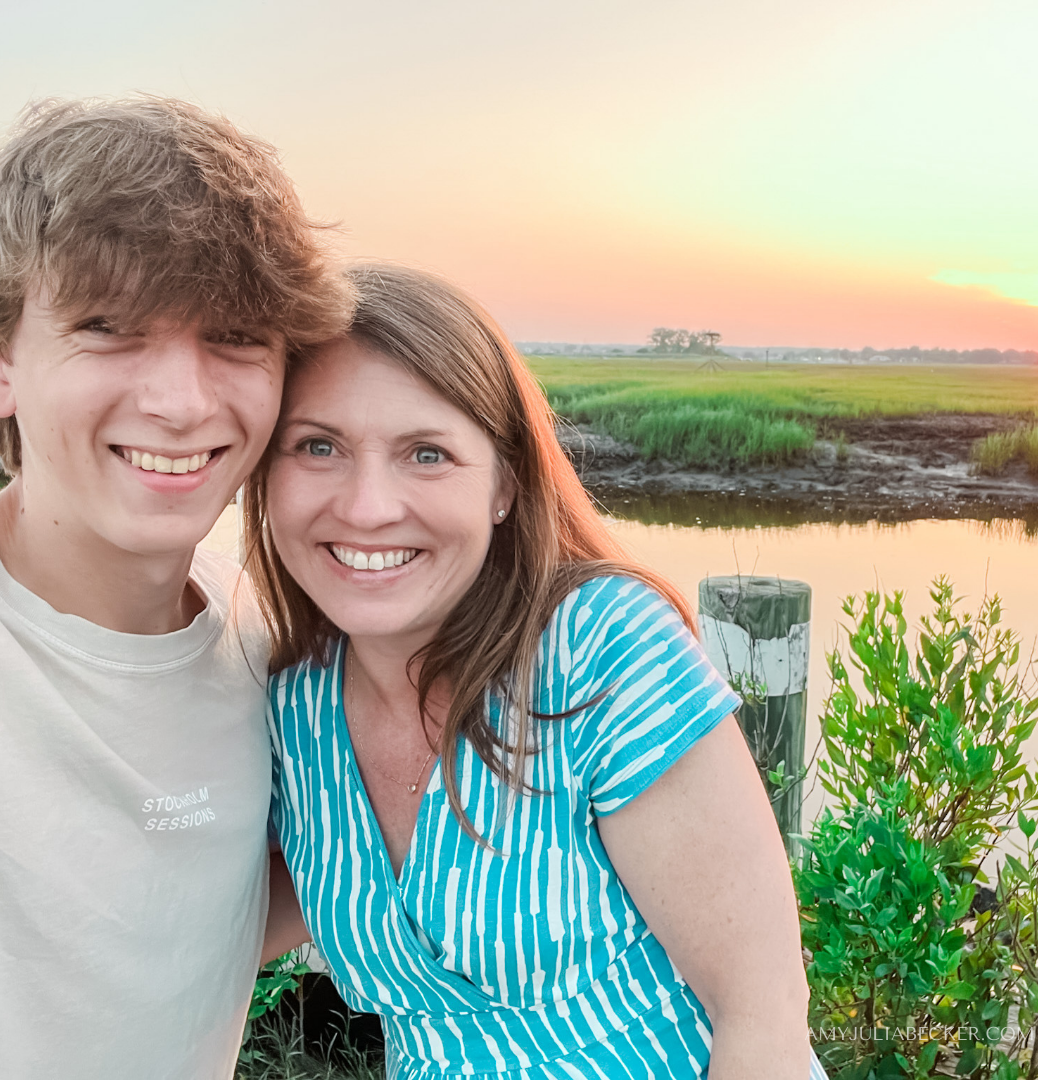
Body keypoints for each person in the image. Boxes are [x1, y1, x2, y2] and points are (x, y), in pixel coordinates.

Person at [247, 263, 828, 1079]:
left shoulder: (598, 646)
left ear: (504, 485)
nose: (368, 506)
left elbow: (762, 1018)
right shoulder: (294, 705)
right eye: (318, 446)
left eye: (426, 453)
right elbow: (204, 927)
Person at [0, 97, 352, 1078]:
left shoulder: (260, 634)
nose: (182, 402)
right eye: (108, 326)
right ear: (6, 362)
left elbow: (185, 923)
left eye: (235, 335)